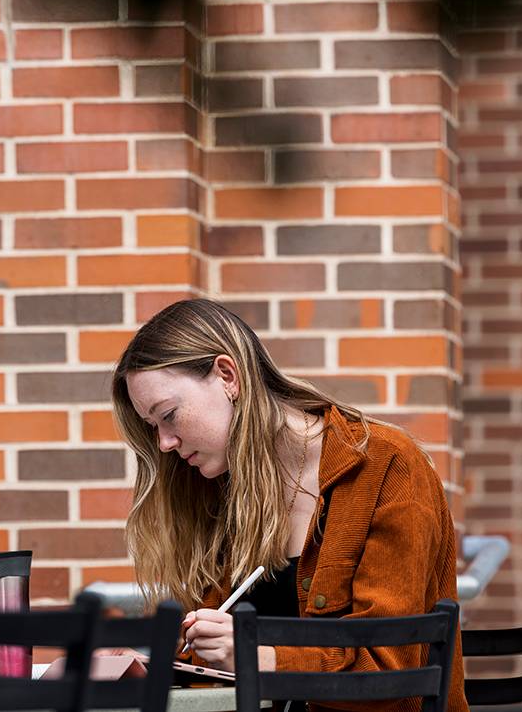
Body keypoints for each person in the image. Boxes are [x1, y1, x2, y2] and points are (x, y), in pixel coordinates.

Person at [110, 298, 467, 712]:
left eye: (168, 415)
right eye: (153, 427)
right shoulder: (222, 491)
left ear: (228, 375)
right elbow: (211, 662)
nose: (165, 444)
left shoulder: (385, 467)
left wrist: (256, 657)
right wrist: (156, 669)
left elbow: (388, 672)